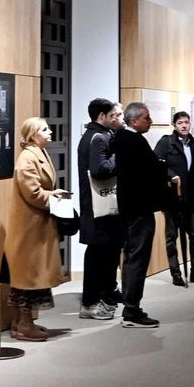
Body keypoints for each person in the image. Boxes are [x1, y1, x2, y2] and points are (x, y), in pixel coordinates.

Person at [4, 117, 71, 341]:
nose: (50, 131)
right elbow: (32, 193)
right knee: (28, 278)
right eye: (44, 129)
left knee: (32, 276)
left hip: (37, 226)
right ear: (33, 134)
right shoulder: (27, 159)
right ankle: (24, 323)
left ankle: (25, 322)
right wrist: (53, 196)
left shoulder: (37, 153)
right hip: (29, 228)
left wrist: (52, 194)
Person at [105, 102, 164, 327]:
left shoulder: (124, 140)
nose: (149, 121)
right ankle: (131, 310)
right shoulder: (132, 141)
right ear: (134, 121)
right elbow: (147, 172)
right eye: (146, 118)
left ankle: (132, 307)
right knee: (137, 257)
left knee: (134, 256)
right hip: (138, 208)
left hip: (134, 207)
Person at [77, 99, 125, 320]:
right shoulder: (97, 138)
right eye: (112, 114)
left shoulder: (96, 135)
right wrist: (119, 157)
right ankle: (90, 302)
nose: (116, 118)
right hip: (98, 208)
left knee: (105, 253)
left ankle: (104, 296)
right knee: (97, 255)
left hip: (98, 207)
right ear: (102, 116)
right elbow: (99, 169)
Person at [153, 110, 194, 286]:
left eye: (187, 122)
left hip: (191, 199)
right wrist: (170, 175)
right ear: (175, 125)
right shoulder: (166, 143)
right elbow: (155, 164)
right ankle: (176, 273)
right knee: (172, 236)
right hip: (172, 199)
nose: (184, 125)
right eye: (180, 122)